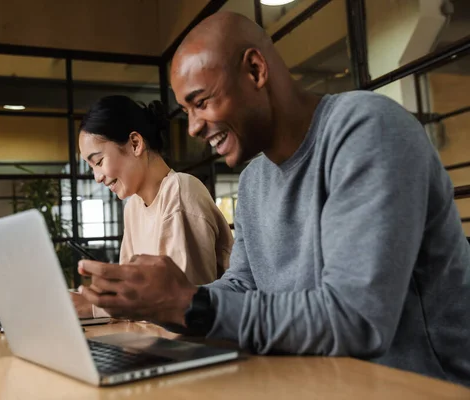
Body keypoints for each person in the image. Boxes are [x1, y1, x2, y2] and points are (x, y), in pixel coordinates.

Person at [76, 12, 470, 387]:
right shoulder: (253, 182)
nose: (194, 127)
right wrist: (165, 300)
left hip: (421, 386)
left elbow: (355, 319)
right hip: (316, 381)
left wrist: (187, 304)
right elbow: (245, 285)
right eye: (186, 110)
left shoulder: (367, 132)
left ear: (255, 70)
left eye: (202, 101)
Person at [73, 95, 234, 318]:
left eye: (99, 162)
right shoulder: (133, 207)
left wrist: (93, 307)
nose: (97, 177)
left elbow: (180, 306)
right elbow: (130, 294)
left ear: (135, 144)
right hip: (155, 335)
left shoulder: (179, 191)